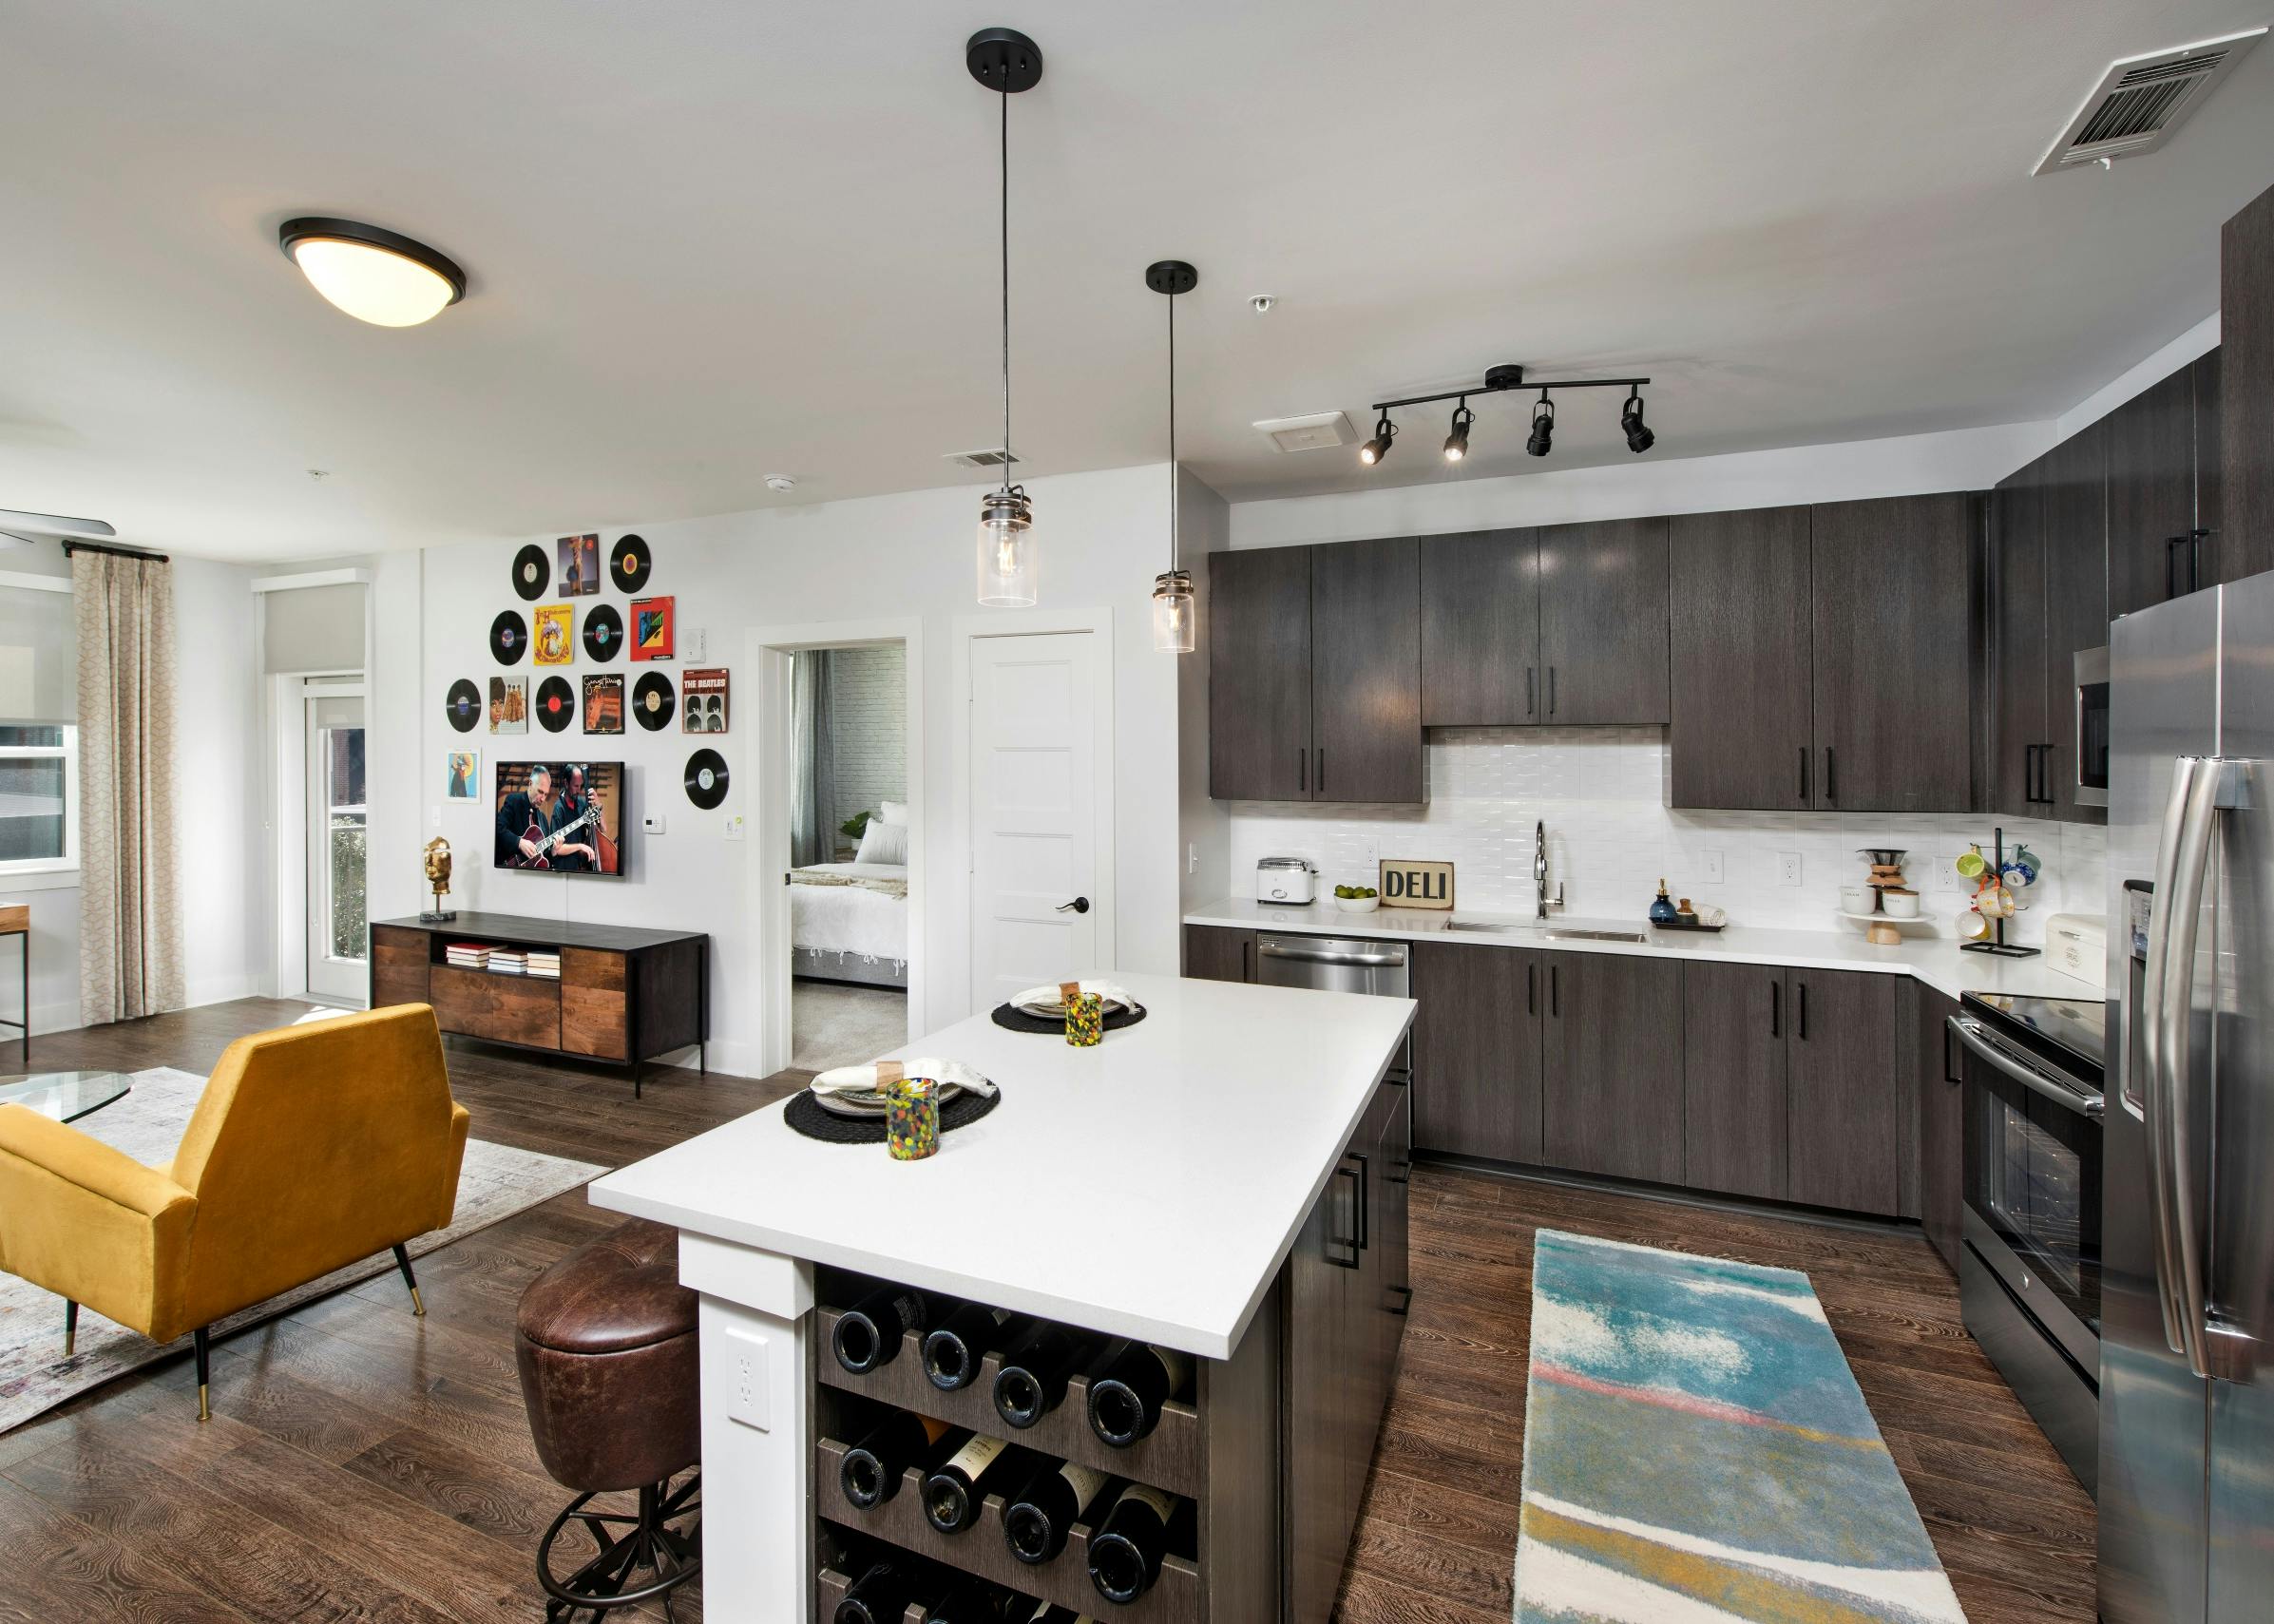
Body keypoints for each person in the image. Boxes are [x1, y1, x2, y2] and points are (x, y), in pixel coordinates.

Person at [496, 765, 554, 868]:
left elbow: (543, 855)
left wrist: (553, 852)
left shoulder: (543, 820)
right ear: (530, 783)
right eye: (540, 792)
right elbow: (498, 828)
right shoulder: (513, 801)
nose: (543, 799)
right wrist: (519, 842)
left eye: (546, 794)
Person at [547, 764, 601, 872]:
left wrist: (599, 805)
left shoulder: (581, 803)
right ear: (566, 783)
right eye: (576, 786)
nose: (579, 790)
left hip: (580, 866)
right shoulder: (559, 808)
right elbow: (557, 848)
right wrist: (580, 846)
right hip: (564, 868)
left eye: (581, 786)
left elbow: (603, 828)